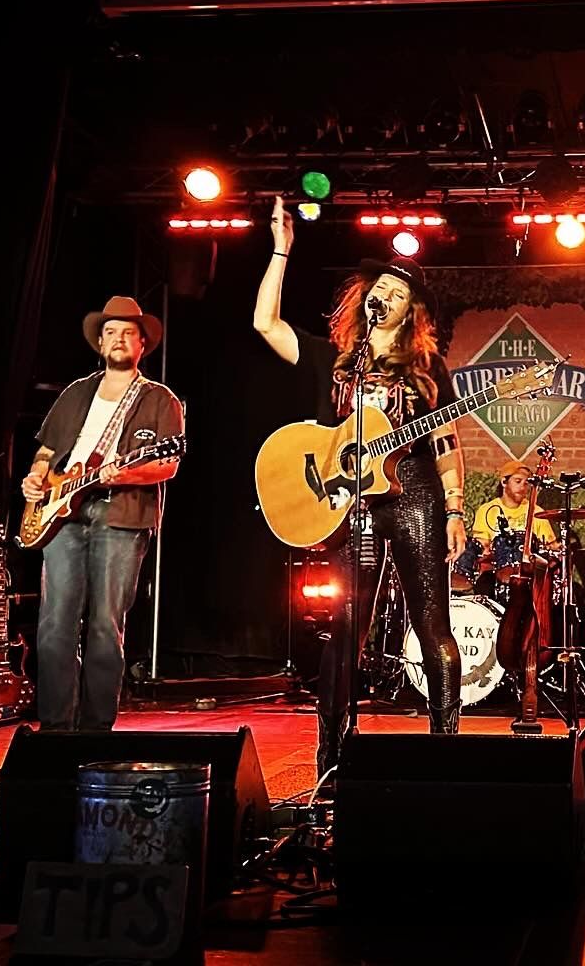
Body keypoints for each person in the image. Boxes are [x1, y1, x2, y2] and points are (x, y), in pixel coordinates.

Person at [253, 198, 465, 782]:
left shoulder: (427, 370)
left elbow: (446, 441)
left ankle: (447, 754)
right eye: (381, 289)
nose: (386, 297)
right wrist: (281, 250)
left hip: (415, 492)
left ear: (412, 312)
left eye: (398, 294)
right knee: (347, 630)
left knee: (432, 624)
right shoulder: (334, 361)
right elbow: (265, 325)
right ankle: (330, 760)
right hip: (349, 502)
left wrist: (454, 508)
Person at [21, 296, 184, 731]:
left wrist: (124, 475)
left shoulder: (159, 399)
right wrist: (36, 478)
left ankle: (95, 733)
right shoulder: (77, 392)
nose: (118, 339)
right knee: (54, 623)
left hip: (122, 515)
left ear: (142, 344)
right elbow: (47, 451)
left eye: (128, 333)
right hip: (62, 514)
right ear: (99, 342)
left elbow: (168, 464)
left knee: (105, 626)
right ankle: (56, 729)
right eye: (111, 332)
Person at [471, 458, 557, 562]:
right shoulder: (487, 510)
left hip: (528, 567)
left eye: (526, 483)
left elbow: (551, 546)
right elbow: (482, 546)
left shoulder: (537, 512)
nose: (522, 487)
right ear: (504, 482)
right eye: (518, 481)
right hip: (496, 566)